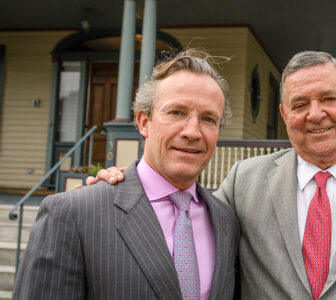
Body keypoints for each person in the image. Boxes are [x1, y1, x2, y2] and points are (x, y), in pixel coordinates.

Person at [92, 51, 336, 299]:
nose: (315, 114)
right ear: (286, 116)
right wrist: (127, 184)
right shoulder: (244, 181)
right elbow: (180, 221)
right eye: (300, 105)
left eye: (329, 99)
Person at [13, 49, 240, 300]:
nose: (193, 132)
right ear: (144, 122)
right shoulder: (74, 214)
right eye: (176, 112)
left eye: (208, 119)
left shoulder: (226, 220)